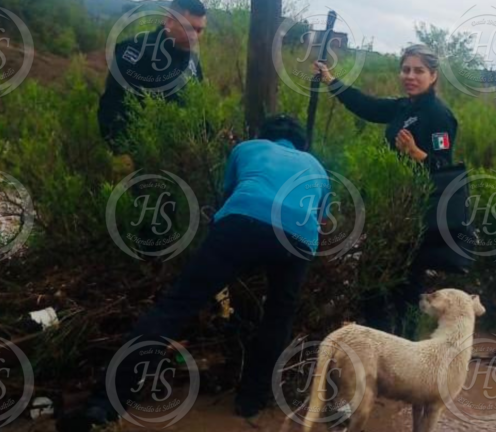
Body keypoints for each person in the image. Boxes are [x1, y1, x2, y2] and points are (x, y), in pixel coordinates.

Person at [57, 116, 330, 431]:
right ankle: (250, 402)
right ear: (301, 144)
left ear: (263, 134)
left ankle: (104, 405)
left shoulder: (247, 148)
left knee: (175, 307)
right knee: (278, 317)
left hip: (242, 222)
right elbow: (320, 220)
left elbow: (229, 195)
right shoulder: (318, 167)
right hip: (298, 240)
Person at [314, 44, 474, 339]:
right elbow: (368, 106)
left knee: (405, 284)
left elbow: (444, 168)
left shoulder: (439, 116)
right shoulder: (404, 107)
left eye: (418, 71)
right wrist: (331, 80)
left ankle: (406, 348)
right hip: (390, 211)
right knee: (370, 279)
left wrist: (416, 153)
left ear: (433, 76)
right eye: (406, 69)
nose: (410, 76)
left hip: (416, 217)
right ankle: (378, 343)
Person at [98, 0, 207, 150]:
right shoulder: (137, 52)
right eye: (189, 28)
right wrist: (122, 153)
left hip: (185, 155)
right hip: (145, 153)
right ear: (169, 21)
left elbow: (199, 108)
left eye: (199, 30)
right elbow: (113, 105)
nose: (194, 37)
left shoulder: (192, 61)